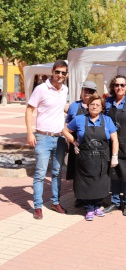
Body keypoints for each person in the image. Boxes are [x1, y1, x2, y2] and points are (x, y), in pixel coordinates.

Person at [63, 95, 119, 220]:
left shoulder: (107, 120)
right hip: (84, 158)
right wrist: (74, 142)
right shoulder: (79, 119)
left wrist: (115, 156)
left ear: (102, 108)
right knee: (85, 183)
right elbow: (65, 130)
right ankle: (88, 208)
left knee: (100, 183)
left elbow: (115, 140)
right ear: (88, 106)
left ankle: (98, 206)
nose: (95, 107)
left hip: (102, 158)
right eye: (92, 104)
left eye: (98, 105)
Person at [25, 60, 69, 220]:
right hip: (43, 137)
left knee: (57, 173)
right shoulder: (41, 89)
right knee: (40, 173)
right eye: (58, 72)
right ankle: (37, 206)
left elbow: (62, 107)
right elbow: (29, 110)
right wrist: (30, 133)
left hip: (59, 139)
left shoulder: (65, 90)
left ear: (67, 75)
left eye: (63, 73)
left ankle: (55, 202)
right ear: (52, 71)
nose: (60, 75)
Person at [104, 75, 126, 216]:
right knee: (114, 174)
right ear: (113, 86)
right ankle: (115, 202)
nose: (119, 87)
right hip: (111, 144)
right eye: (117, 85)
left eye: (122, 85)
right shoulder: (107, 102)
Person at [65, 81, 98, 207]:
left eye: (91, 91)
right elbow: (67, 124)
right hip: (76, 146)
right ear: (82, 91)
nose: (88, 93)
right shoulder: (74, 106)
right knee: (77, 173)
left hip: (92, 146)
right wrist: (71, 142)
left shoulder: (98, 106)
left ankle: (93, 197)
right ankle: (79, 197)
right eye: (86, 90)